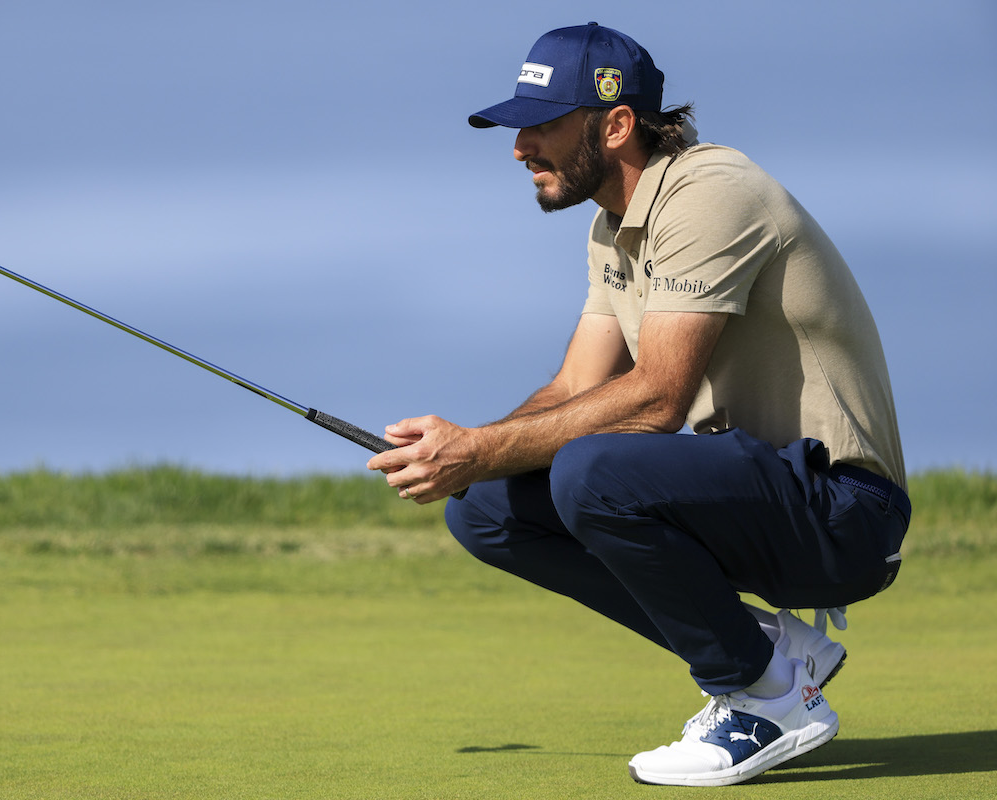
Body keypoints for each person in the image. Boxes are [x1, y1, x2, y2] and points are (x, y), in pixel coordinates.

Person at [365, 22, 910, 787]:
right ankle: (767, 650)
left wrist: (478, 449)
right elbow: (573, 389)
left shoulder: (710, 192)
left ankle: (769, 698)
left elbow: (656, 399)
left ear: (617, 124)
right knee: (484, 506)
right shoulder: (611, 228)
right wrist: (462, 453)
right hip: (750, 496)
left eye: (541, 126)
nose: (519, 149)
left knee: (592, 471)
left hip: (845, 511)